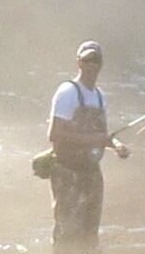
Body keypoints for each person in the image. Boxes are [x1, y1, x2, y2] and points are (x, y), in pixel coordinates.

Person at [44, 41, 125, 241]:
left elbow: (103, 136)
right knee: (67, 234)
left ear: (101, 64)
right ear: (78, 63)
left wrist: (117, 145)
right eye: (87, 60)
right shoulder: (67, 92)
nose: (92, 65)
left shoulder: (99, 97)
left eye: (96, 61)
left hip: (92, 173)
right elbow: (54, 134)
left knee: (90, 235)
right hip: (68, 172)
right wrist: (94, 139)